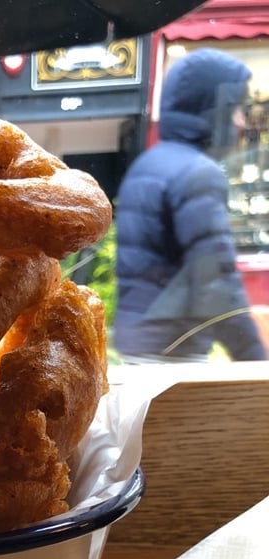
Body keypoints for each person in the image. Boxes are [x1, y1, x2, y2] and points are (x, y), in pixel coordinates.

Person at [114, 48, 267, 363]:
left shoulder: (149, 163)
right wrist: (255, 361)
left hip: (137, 346)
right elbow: (215, 281)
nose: (241, 121)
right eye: (236, 108)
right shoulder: (198, 173)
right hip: (174, 353)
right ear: (213, 108)